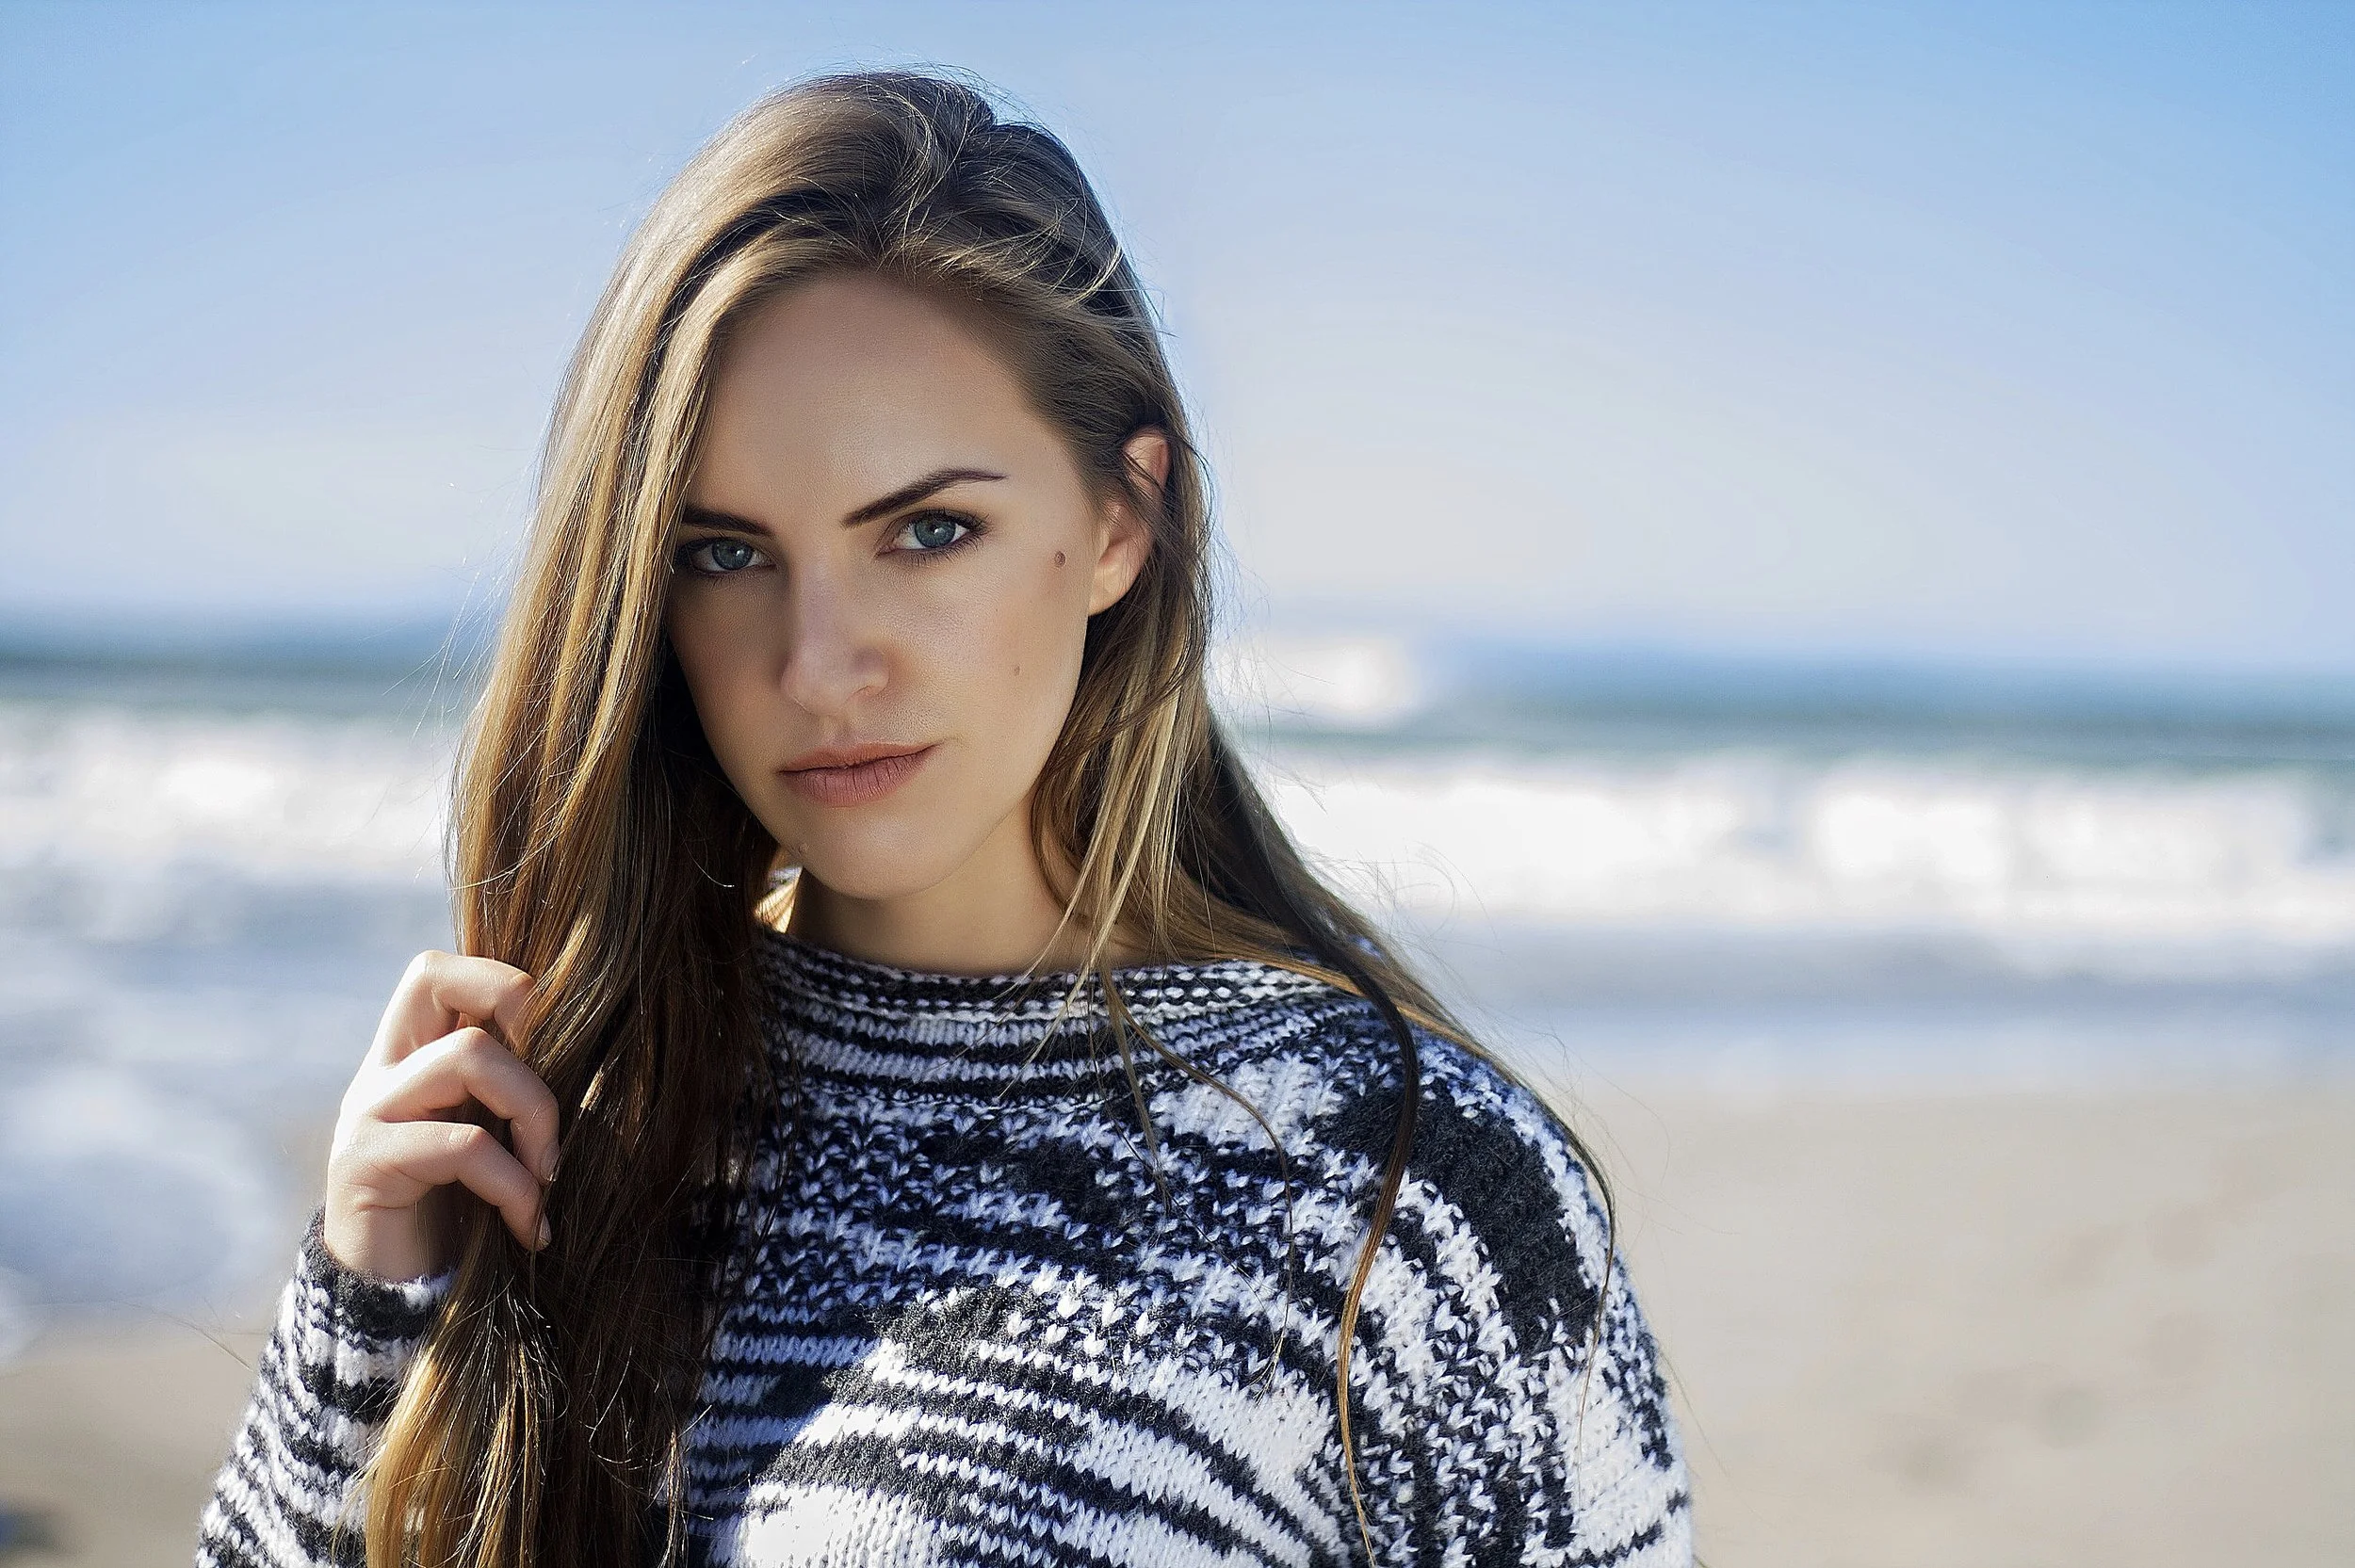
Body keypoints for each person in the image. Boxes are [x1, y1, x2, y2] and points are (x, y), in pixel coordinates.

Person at [194, 70, 1691, 1568]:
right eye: (726, 553)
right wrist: (366, 1314)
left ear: (1121, 521)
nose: (818, 665)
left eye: (928, 532)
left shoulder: (1403, 1194)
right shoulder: (561, 1130)